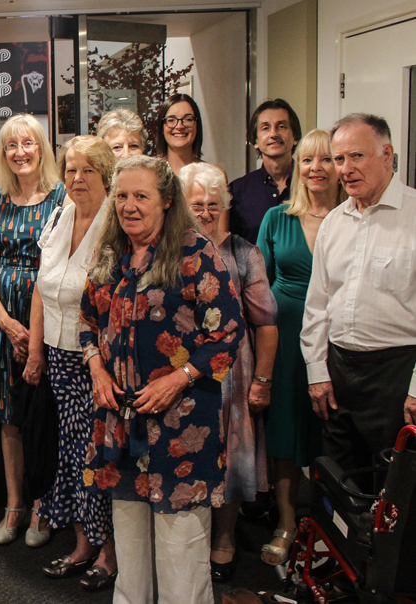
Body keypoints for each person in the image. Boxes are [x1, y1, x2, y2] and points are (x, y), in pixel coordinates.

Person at [81, 155, 243, 604]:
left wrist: (179, 378)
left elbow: (227, 333)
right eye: (122, 196)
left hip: (181, 428)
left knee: (181, 550)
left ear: (167, 201)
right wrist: (96, 365)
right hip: (120, 422)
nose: (129, 206)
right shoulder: (110, 253)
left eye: (141, 196)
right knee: (130, 549)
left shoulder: (196, 254)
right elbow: (87, 320)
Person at [302, 113, 416, 480]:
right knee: (339, 484)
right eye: (339, 159)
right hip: (339, 376)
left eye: (357, 157)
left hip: (396, 377)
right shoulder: (335, 222)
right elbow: (317, 304)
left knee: (395, 494)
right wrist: (317, 372)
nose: (345, 169)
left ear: (387, 155)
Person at [180, 162, 278, 582]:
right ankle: (191, 540)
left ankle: (224, 538)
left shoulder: (242, 251)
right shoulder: (172, 250)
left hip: (234, 375)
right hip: (184, 373)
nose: (203, 211)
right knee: (190, 455)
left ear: (224, 205)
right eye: (195, 203)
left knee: (232, 459)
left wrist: (262, 381)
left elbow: (267, 324)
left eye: (212, 204)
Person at [0, 113, 65, 546]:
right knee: (7, 416)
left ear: (41, 149)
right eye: (12, 146)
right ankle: (13, 505)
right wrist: (6, 323)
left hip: (46, 314)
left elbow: (59, 264)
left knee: (42, 415)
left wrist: (30, 326)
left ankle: (44, 505)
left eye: (28, 144)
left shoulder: (61, 197)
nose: (20, 153)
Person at [32, 136, 117, 590]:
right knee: (69, 453)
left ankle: (109, 552)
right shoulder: (60, 215)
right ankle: (83, 543)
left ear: (106, 176)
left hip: (97, 361)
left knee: (96, 455)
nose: (77, 179)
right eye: (70, 170)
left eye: (87, 171)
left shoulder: (115, 225)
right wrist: (35, 350)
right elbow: (41, 288)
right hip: (59, 356)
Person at [255, 128, 344, 566]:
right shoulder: (278, 218)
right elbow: (256, 290)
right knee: (286, 435)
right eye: (307, 160)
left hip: (337, 339)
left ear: (340, 167)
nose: (316, 169)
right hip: (286, 338)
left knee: (331, 433)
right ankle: (287, 522)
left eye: (326, 159)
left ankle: (331, 527)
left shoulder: (352, 218)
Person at [228, 99, 302, 243]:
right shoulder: (237, 191)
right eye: (265, 128)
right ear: (255, 140)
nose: (274, 133)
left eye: (281, 126)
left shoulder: (311, 185)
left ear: (295, 138)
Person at [155, 94, 223, 177]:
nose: (179, 126)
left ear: (197, 126)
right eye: (171, 120)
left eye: (188, 119)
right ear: (162, 127)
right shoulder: (150, 173)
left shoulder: (214, 175)